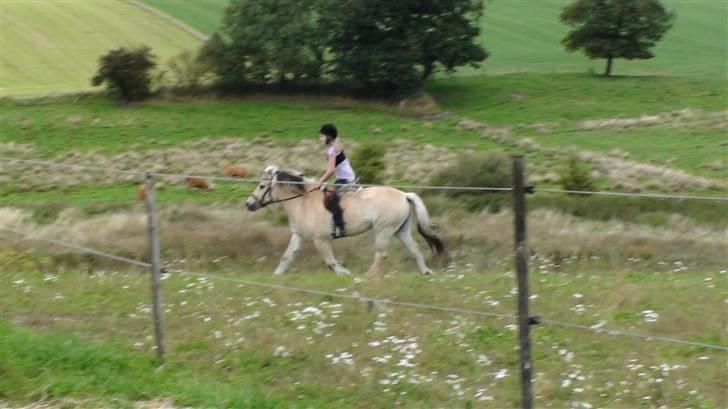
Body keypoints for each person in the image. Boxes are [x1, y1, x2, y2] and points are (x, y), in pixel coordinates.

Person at [312, 123, 356, 239]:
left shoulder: (332, 150)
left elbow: (330, 170)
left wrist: (320, 182)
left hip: (345, 179)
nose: (320, 138)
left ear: (329, 136)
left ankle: (340, 228)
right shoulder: (336, 146)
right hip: (342, 178)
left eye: (322, 136)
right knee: (328, 194)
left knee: (333, 199)